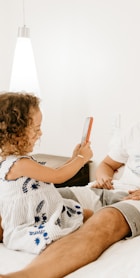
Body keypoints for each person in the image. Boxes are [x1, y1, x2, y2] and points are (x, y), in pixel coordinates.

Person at [0, 65, 140, 277]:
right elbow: (107, 165)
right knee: (32, 200)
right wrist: (104, 178)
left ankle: (25, 276)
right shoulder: (138, 129)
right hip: (105, 191)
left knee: (102, 223)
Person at [0, 92, 93, 254]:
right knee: (57, 234)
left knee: (87, 214)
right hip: (31, 221)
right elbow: (58, 177)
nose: (40, 134)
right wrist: (81, 159)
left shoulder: (19, 161)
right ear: (16, 133)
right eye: (36, 129)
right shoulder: (19, 164)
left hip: (46, 212)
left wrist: (73, 159)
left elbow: (51, 173)